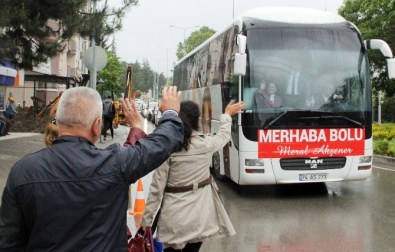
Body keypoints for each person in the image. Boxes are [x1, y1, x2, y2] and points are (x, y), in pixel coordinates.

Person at [0, 86, 184, 251]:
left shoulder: (23, 170)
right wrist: (170, 112)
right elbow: (163, 142)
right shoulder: (115, 164)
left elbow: (9, 241)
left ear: (58, 121)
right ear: (97, 126)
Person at [141, 99, 245, 251]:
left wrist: (145, 224)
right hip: (199, 220)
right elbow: (223, 136)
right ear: (197, 120)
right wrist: (227, 114)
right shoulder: (205, 144)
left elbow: (156, 191)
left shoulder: (169, 148)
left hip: (173, 219)